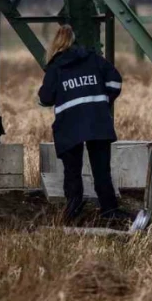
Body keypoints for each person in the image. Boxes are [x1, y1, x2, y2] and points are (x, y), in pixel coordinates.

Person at [37, 24, 129, 222]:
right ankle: (109, 211)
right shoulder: (93, 59)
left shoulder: (56, 67)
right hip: (97, 121)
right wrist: (104, 100)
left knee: (72, 171)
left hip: (70, 125)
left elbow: (45, 98)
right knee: (101, 170)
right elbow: (115, 81)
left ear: (55, 44)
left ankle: (72, 211)